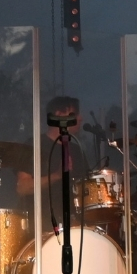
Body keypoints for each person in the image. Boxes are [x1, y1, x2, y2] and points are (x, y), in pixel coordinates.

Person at [16, 95, 90, 229]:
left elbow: (89, 192)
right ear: (59, 115)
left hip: (74, 227)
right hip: (41, 227)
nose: (80, 118)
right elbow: (22, 187)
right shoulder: (35, 145)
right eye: (75, 113)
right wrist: (57, 175)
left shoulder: (77, 150)